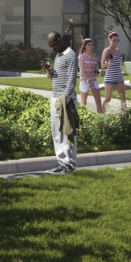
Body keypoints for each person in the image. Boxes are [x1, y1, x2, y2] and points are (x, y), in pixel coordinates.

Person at [41, 32, 80, 174]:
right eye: (50, 46)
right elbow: (56, 79)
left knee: (67, 134)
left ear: (59, 40)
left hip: (65, 101)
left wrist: (65, 99)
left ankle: (69, 165)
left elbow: (71, 80)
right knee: (57, 134)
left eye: (53, 45)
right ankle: (61, 163)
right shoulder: (58, 56)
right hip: (56, 99)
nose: (52, 49)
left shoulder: (70, 54)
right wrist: (50, 71)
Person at [77, 38, 105, 114]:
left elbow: (96, 67)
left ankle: (101, 120)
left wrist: (97, 71)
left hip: (94, 79)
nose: (91, 46)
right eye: (89, 45)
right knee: (84, 103)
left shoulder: (94, 56)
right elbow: (82, 71)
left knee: (98, 103)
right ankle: (82, 120)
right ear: (85, 46)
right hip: (84, 80)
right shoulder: (82, 56)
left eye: (92, 45)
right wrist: (88, 81)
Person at [101, 31, 127, 112]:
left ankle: (126, 115)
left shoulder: (119, 51)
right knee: (108, 99)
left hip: (119, 76)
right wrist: (109, 63)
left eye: (117, 40)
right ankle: (102, 114)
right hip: (110, 78)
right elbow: (102, 65)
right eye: (114, 40)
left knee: (123, 98)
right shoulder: (107, 50)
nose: (116, 42)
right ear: (109, 39)